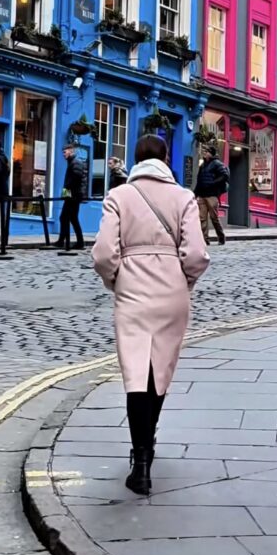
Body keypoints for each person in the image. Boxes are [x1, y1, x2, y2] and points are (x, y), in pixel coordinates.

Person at [93, 134, 210, 496]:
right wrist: (182, 281)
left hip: (132, 289)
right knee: (159, 369)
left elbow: (102, 254)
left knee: (135, 372)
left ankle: (140, 460)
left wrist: (117, 279)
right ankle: (150, 443)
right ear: (165, 160)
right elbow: (197, 255)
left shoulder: (119, 196)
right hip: (172, 291)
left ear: (136, 158)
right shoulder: (183, 197)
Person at [193, 145, 229, 246]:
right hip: (202, 195)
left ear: (211, 153)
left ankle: (221, 237)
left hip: (212, 195)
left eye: (207, 151)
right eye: (204, 151)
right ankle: (204, 240)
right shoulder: (202, 165)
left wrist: (213, 183)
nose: (205, 153)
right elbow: (199, 181)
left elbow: (224, 175)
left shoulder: (217, 164)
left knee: (214, 218)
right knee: (202, 219)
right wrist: (195, 193)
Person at [57, 144, 86, 250]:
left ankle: (64, 241)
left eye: (65, 152)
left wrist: (66, 194)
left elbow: (73, 181)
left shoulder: (76, 162)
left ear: (71, 151)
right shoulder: (72, 162)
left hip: (74, 195)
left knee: (66, 217)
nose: (63, 154)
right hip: (73, 195)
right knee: (71, 218)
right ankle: (77, 242)